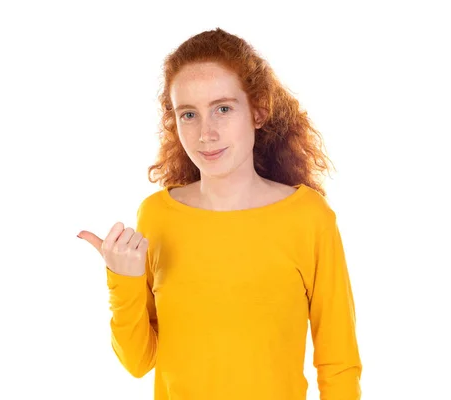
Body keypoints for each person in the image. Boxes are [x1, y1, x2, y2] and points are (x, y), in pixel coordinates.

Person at [78, 27, 362, 400]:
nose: (205, 134)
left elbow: (338, 362)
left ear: (258, 111)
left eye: (223, 109)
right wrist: (123, 279)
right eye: (189, 114)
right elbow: (138, 361)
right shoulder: (156, 215)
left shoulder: (308, 217)